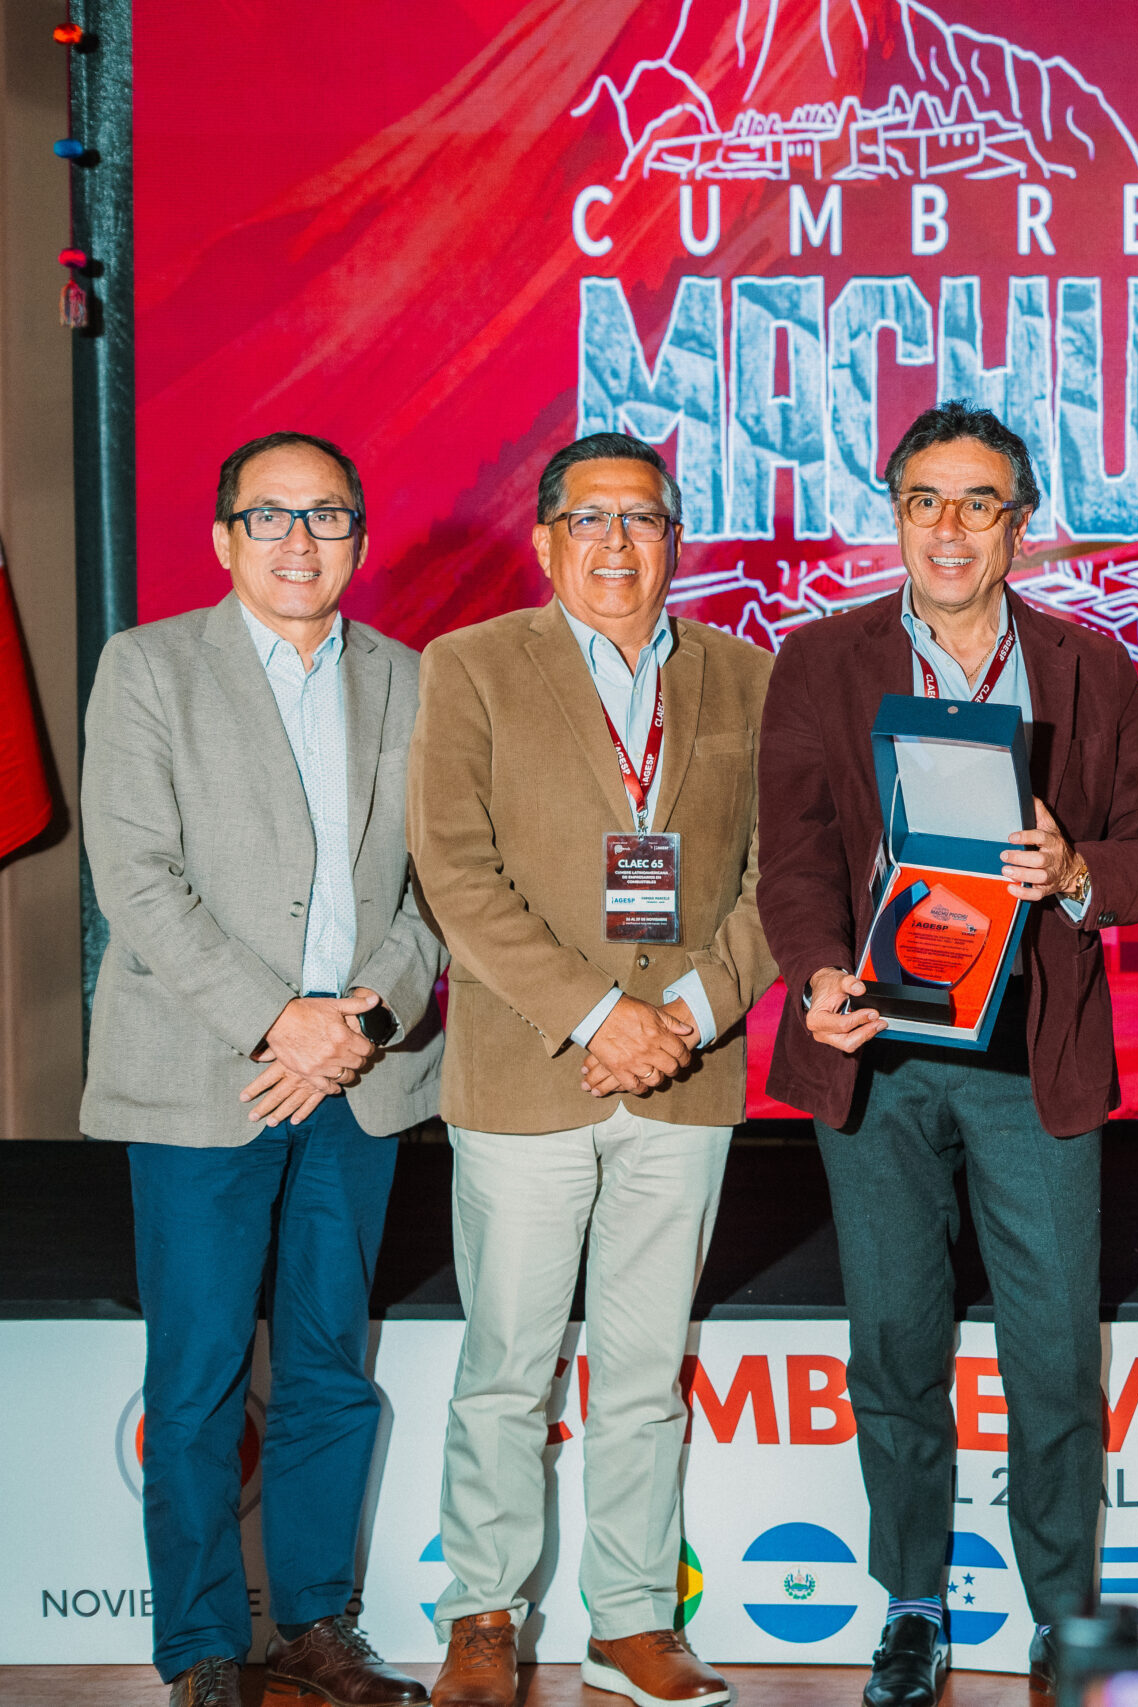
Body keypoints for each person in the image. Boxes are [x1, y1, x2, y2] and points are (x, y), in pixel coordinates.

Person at [755, 402, 1138, 1707]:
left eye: (977, 501)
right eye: (924, 500)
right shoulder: (819, 661)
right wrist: (817, 974)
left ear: (1020, 523)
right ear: (894, 515)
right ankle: (912, 1604)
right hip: (879, 1046)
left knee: (1051, 1352)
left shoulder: (1087, 667)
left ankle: (1062, 1612)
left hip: (1031, 1053)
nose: (949, 526)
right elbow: (795, 857)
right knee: (895, 1341)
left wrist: (1074, 869)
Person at [407, 432, 775, 1707]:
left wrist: (684, 1014)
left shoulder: (746, 676)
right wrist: (596, 1016)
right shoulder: (471, 665)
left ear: (675, 539)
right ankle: (483, 1617)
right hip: (527, 1075)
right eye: (590, 520)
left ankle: (630, 1622)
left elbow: (779, 876)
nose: (617, 544)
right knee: (507, 1368)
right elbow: (454, 870)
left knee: (642, 1370)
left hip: (686, 1072)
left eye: (643, 520)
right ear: (546, 539)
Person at [82, 432, 444, 1707]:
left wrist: (358, 1022)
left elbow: (440, 887)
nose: (299, 539)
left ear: (360, 537)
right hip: (207, 1078)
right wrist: (279, 1022)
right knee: (195, 1382)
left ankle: (313, 1626)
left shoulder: (412, 679)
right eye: (270, 515)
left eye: (326, 515)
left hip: (361, 1080)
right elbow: (135, 876)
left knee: (330, 1368)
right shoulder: (149, 668)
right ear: (224, 539)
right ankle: (198, 1649)